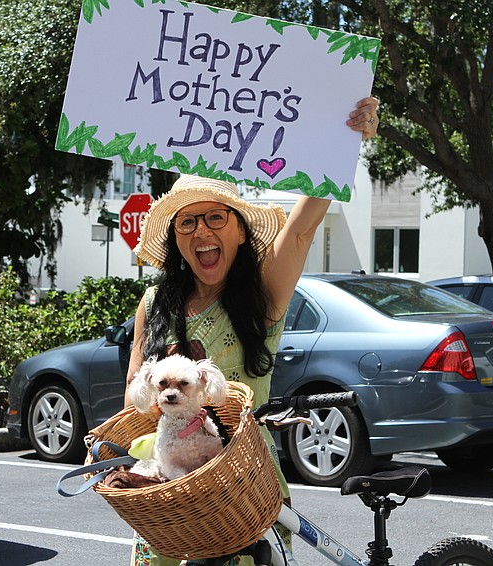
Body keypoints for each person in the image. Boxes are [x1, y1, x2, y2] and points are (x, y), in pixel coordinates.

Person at [125, 96, 380, 566]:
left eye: (216, 217)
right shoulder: (153, 304)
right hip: (169, 499)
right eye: (188, 222)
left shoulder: (263, 293)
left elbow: (302, 229)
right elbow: (132, 397)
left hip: (243, 490)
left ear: (240, 231)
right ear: (177, 239)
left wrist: (345, 142)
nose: (202, 229)